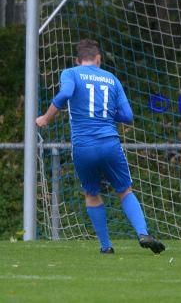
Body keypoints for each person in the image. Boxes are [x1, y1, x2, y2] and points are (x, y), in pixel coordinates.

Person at [36, 39, 165, 255]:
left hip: (83, 147)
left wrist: (46, 118)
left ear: (77, 60)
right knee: (124, 190)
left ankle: (106, 246)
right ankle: (143, 233)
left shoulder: (71, 73)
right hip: (109, 144)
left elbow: (66, 93)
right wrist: (105, 113)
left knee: (92, 193)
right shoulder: (112, 78)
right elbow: (128, 116)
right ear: (99, 59)